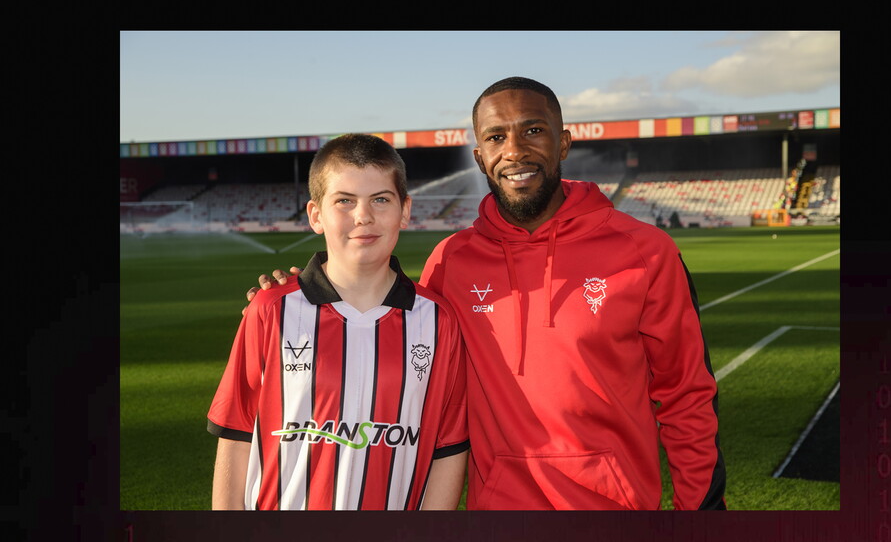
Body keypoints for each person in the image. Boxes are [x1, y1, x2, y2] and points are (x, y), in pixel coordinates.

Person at [252, 77, 726, 510]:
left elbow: (687, 397)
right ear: (480, 156)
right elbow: (383, 329)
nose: (515, 151)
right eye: (496, 137)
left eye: (534, 131)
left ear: (562, 143)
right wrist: (300, 290)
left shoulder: (645, 252)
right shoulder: (452, 260)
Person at [210, 134, 469, 510]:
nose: (363, 216)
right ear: (315, 215)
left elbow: (448, 447)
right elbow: (235, 434)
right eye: (344, 201)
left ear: (406, 210)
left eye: (381, 199)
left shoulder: (437, 319)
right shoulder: (271, 310)